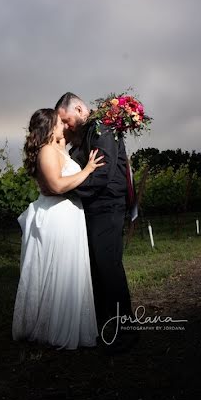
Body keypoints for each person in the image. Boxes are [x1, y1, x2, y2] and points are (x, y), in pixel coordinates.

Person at [12, 108, 105, 350]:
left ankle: (67, 324)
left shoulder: (56, 148)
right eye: (58, 123)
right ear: (49, 127)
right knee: (59, 269)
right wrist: (87, 171)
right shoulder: (45, 151)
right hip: (58, 215)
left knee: (67, 269)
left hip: (69, 215)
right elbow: (56, 184)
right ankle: (53, 329)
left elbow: (67, 140)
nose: (62, 125)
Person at [55, 92, 138, 353]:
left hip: (107, 206)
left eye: (67, 120)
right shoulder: (83, 136)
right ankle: (106, 325)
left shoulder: (102, 129)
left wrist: (65, 190)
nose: (66, 127)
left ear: (79, 109)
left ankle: (125, 329)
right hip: (93, 207)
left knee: (107, 265)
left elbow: (101, 176)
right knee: (96, 267)